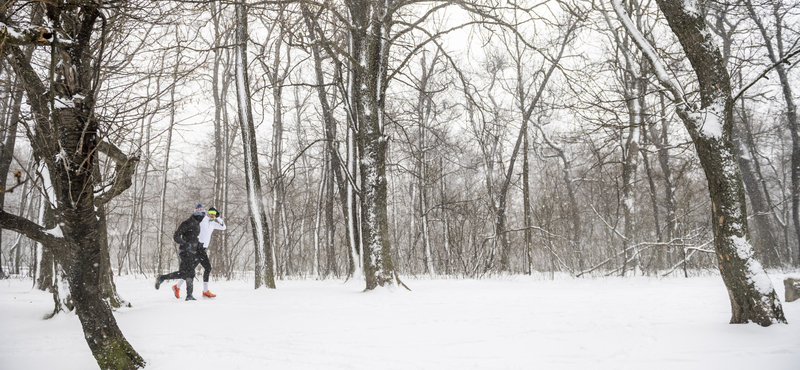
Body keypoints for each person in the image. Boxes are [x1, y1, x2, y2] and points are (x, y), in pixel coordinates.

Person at [154, 204, 205, 301]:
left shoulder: (197, 223)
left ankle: (161, 278)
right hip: (185, 251)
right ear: (197, 214)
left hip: (192, 251)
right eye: (202, 215)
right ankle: (189, 296)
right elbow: (176, 236)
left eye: (204, 215)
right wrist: (185, 243)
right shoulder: (187, 223)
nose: (203, 217)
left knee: (183, 273)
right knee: (190, 272)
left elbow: (193, 237)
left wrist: (198, 245)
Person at [173, 206, 226, 298]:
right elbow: (195, 221)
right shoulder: (203, 220)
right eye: (210, 213)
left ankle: (177, 287)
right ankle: (204, 291)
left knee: (191, 269)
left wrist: (218, 217)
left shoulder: (213, 223)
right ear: (207, 213)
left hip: (203, 249)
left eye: (213, 214)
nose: (212, 215)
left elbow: (223, 227)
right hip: (197, 248)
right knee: (206, 268)